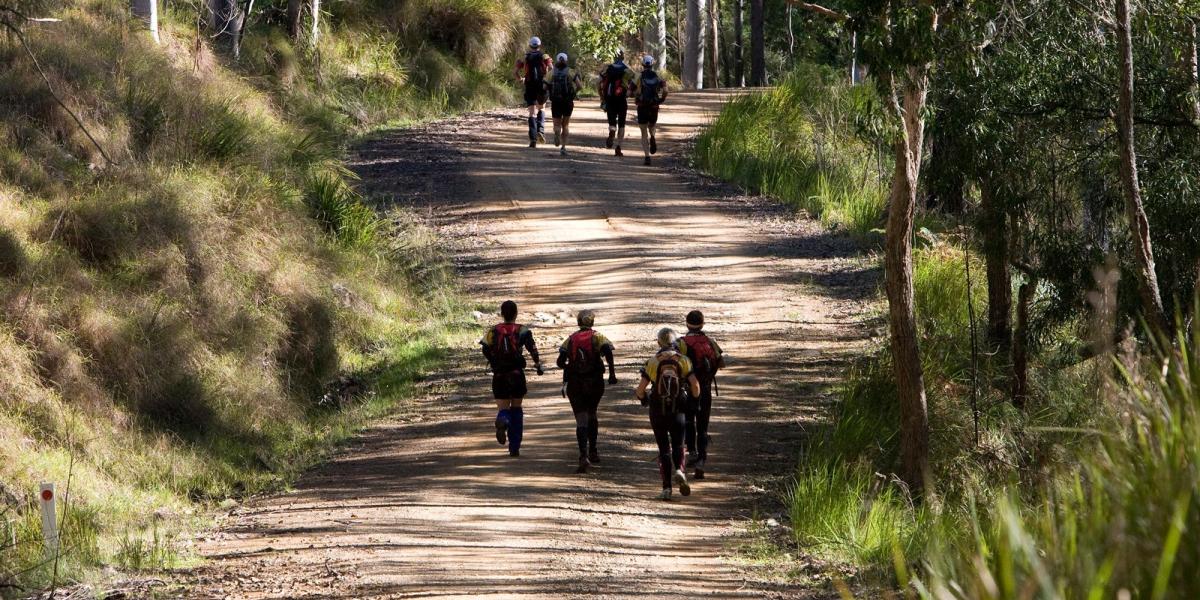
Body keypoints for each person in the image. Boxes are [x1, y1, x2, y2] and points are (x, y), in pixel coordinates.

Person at [636, 327, 701, 500]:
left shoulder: (653, 361)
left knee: (664, 448)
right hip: (679, 407)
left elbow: (640, 389)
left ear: (659, 342)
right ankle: (679, 469)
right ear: (675, 342)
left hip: (658, 409)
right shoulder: (683, 360)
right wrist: (694, 402)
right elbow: (695, 385)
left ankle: (666, 488)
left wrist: (644, 400)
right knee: (679, 444)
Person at [480, 300, 545, 456]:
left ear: (502, 314)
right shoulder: (522, 330)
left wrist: (494, 362)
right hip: (516, 374)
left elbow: (484, 348)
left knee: (503, 408)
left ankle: (503, 418)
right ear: (516, 313)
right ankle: (514, 447)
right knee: (516, 409)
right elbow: (532, 348)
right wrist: (537, 364)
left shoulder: (493, 331)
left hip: (499, 375)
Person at [556, 310, 617, 473]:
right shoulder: (598, 337)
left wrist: (570, 367)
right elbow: (608, 352)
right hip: (594, 382)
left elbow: (560, 361)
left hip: (575, 383)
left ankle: (583, 456)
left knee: (581, 419)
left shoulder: (570, 339)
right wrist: (612, 373)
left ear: (578, 322)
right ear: (592, 322)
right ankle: (593, 450)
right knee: (592, 413)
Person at [677, 310, 725, 480]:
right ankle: (701, 461)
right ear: (703, 324)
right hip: (705, 389)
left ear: (686, 323)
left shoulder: (681, 343)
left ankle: (692, 452)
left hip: (688, 390)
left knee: (689, 420)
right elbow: (721, 363)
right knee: (703, 426)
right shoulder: (710, 341)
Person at [630, 55, 668, 166]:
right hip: (654, 106)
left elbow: (628, 93)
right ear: (652, 64)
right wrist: (661, 99)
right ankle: (653, 136)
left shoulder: (638, 77)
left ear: (643, 65)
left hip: (642, 106)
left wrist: (634, 94)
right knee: (652, 125)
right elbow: (665, 90)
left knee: (643, 132)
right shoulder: (658, 76)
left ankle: (647, 157)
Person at [514, 37, 552, 148]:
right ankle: (541, 130)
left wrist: (521, 79)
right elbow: (551, 68)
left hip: (529, 85)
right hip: (541, 85)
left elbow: (515, 72)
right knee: (542, 108)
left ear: (530, 46)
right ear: (539, 46)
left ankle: (533, 139)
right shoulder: (545, 57)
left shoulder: (524, 57)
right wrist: (546, 78)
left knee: (531, 113)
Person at [598, 49, 635, 157]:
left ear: (614, 56)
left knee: (612, 121)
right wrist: (631, 93)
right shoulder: (627, 69)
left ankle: (612, 131)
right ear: (623, 57)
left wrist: (602, 96)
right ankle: (618, 147)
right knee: (622, 124)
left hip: (609, 98)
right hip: (621, 99)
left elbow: (598, 82)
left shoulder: (607, 68)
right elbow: (634, 82)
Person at [547, 52, 583, 157]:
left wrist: (550, 91)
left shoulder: (551, 72)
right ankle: (563, 147)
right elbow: (580, 86)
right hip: (567, 101)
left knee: (557, 124)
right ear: (566, 60)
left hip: (556, 102)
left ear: (557, 61)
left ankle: (557, 132)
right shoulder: (571, 72)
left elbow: (544, 86)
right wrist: (574, 93)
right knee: (565, 125)